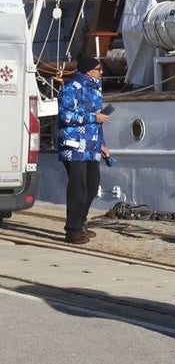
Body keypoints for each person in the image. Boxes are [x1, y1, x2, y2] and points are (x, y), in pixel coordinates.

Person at [57, 52, 110, 244]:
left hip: (91, 145)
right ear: (88, 71)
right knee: (78, 188)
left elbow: (98, 122)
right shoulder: (72, 88)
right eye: (98, 69)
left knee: (92, 185)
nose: (102, 72)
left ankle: (80, 223)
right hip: (73, 146)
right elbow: (66, 116)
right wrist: (93, 117)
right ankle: (72, 229)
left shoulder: (96, 90)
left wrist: (102, 144)